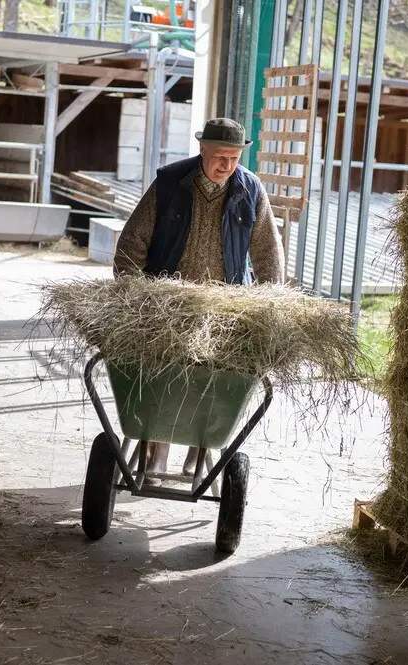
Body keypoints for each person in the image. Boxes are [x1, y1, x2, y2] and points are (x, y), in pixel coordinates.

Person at [113, 117, 286, 485]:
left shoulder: (250, 190)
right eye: (220, 155)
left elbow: (268, 252)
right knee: (160, 373)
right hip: (167, 302)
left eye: (235, 157)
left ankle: (201, 450)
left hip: (224, 304)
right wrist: (133, 292)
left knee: (216, 378)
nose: (227, 164)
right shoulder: (171, 183)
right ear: (202, 149)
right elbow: (132, 241)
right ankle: (155, 452)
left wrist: (269, 302)